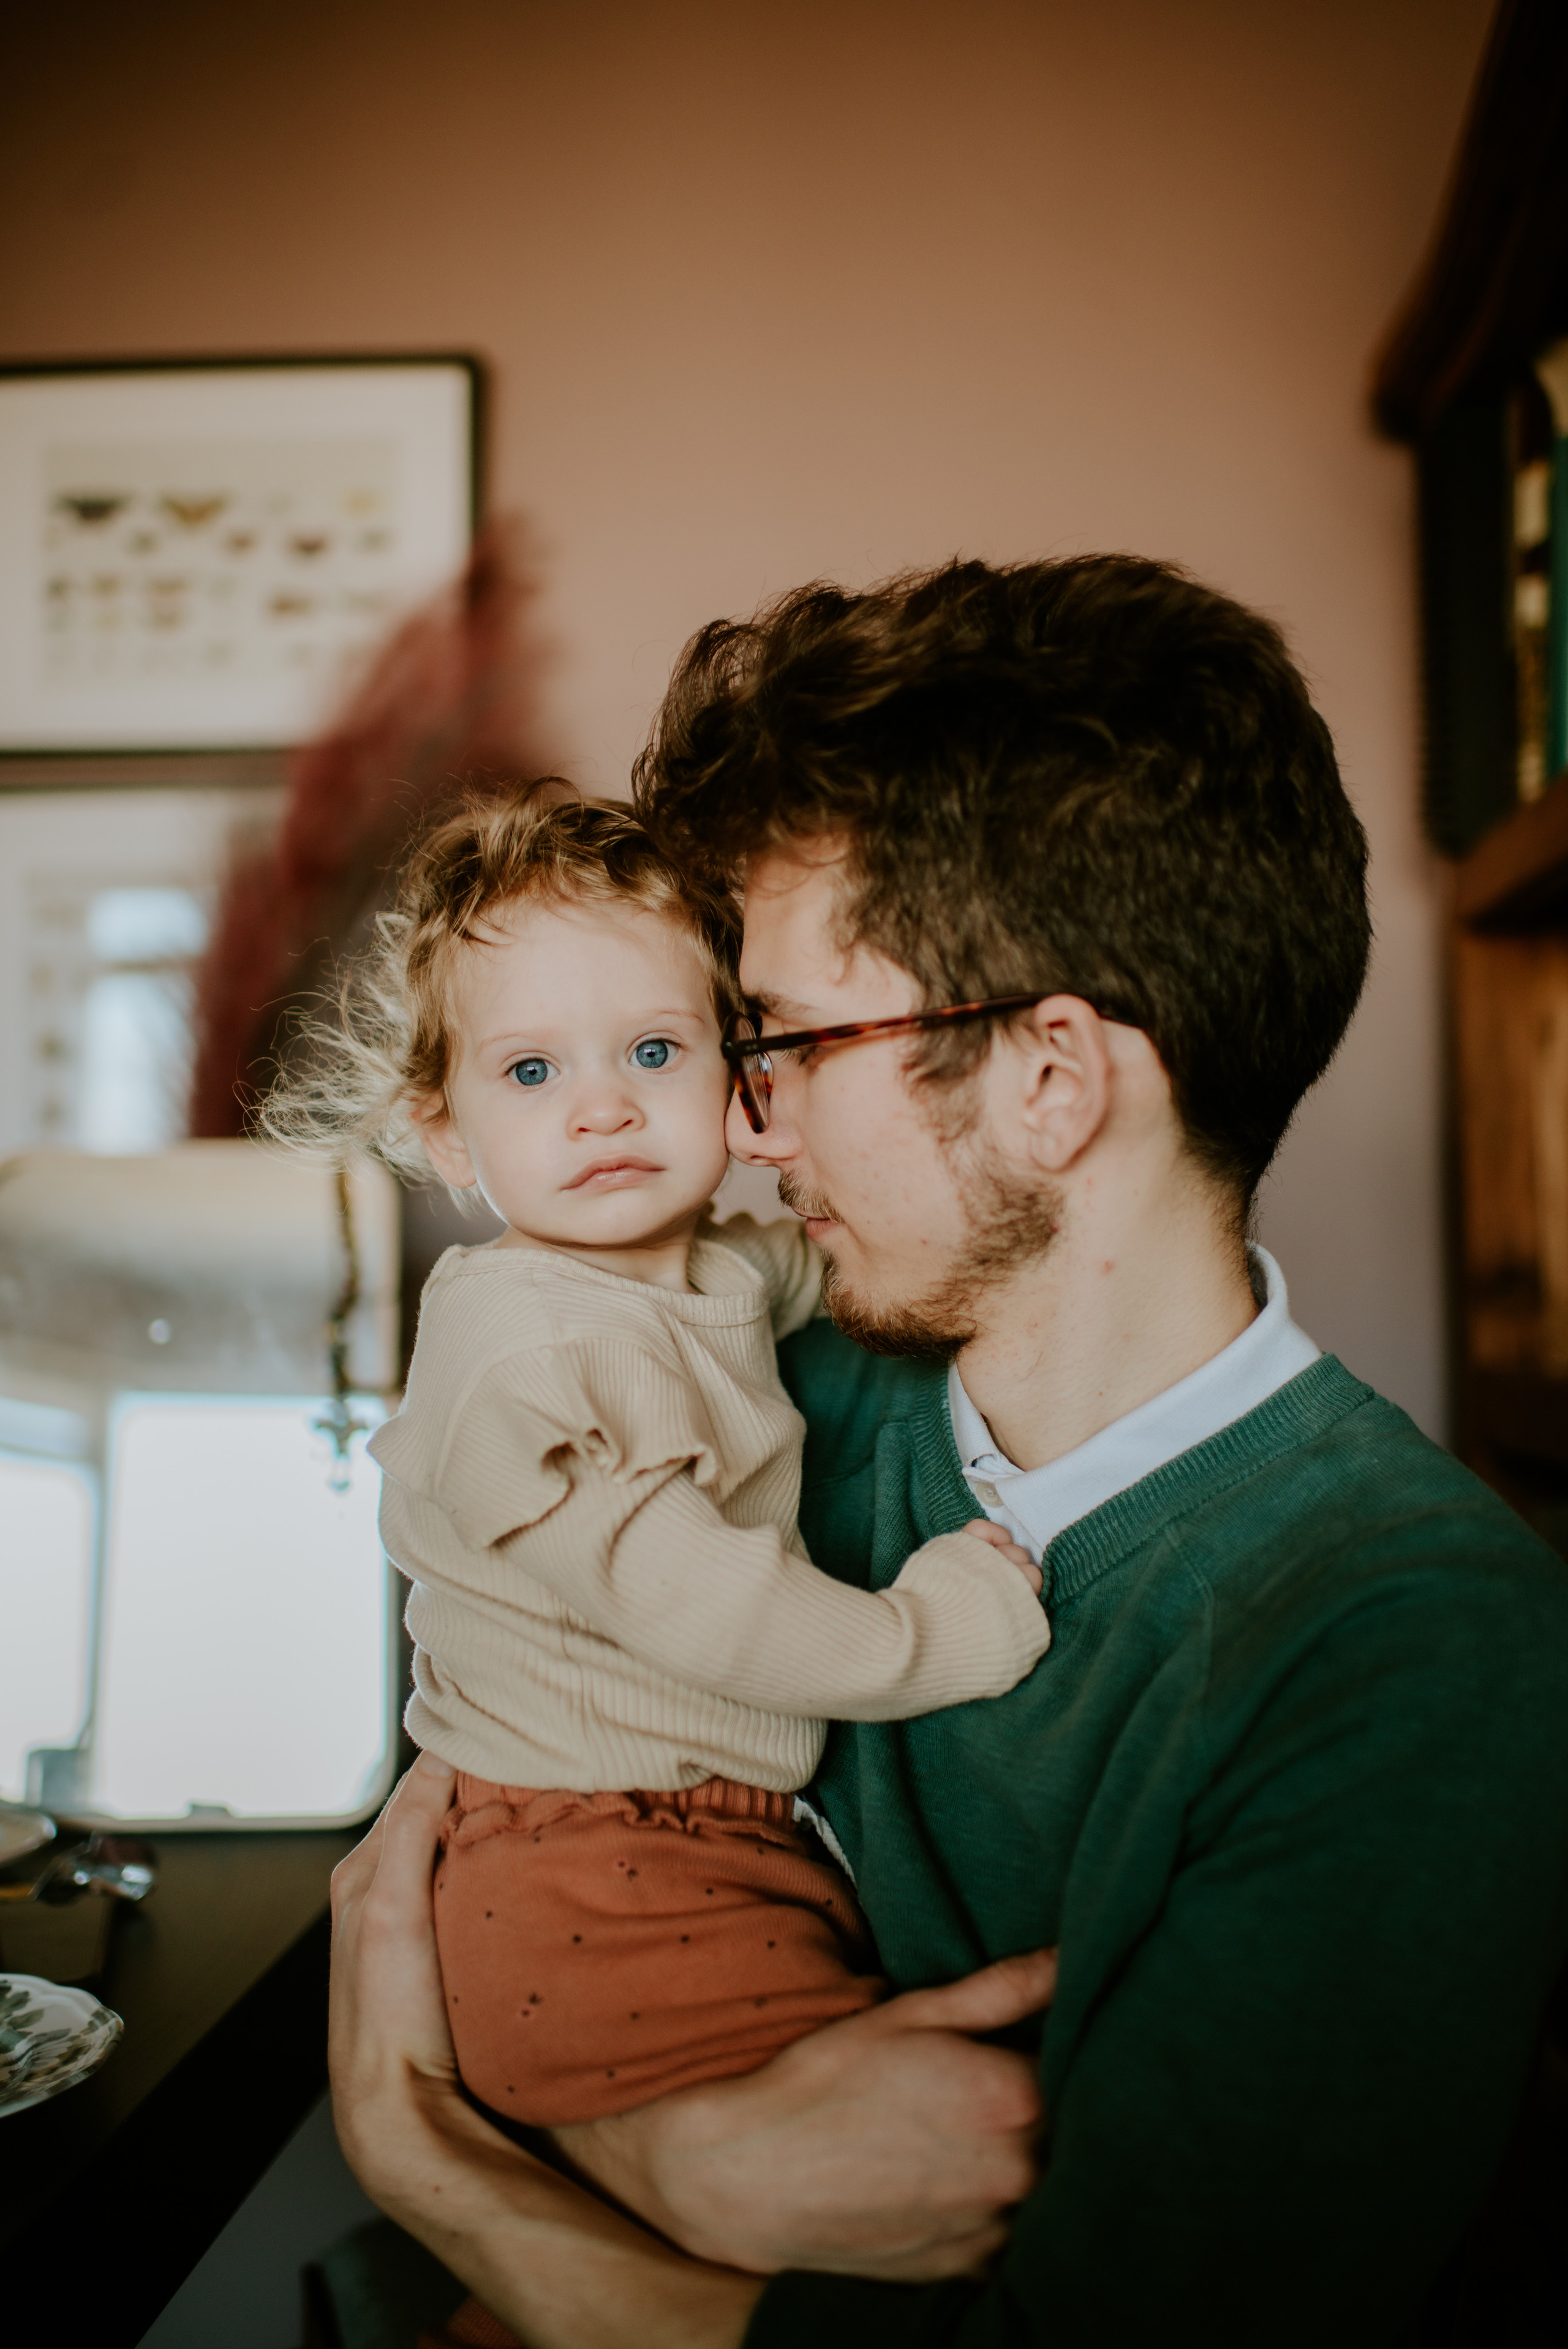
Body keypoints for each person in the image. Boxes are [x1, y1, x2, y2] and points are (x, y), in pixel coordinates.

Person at [328, 556, 1568, 2346]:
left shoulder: (1417, 1652)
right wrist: (663, 2146)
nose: (747, 1130)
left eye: (787, 1043)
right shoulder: (765, 1387)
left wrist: (436, 2160)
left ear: (1049, 1080)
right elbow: (462, 1819)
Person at [266, 789, 1044, 2135]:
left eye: (650, 1050)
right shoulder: (525, 1349)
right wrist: (932, 1633)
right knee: (911, 2150)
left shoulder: (695, 1269)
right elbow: (711, 1608)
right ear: (443, 1128)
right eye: (530, 1073)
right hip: (588, 1861)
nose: (602, 1110)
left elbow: (801, 1263)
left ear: (736, 1077)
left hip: (682, 1833)